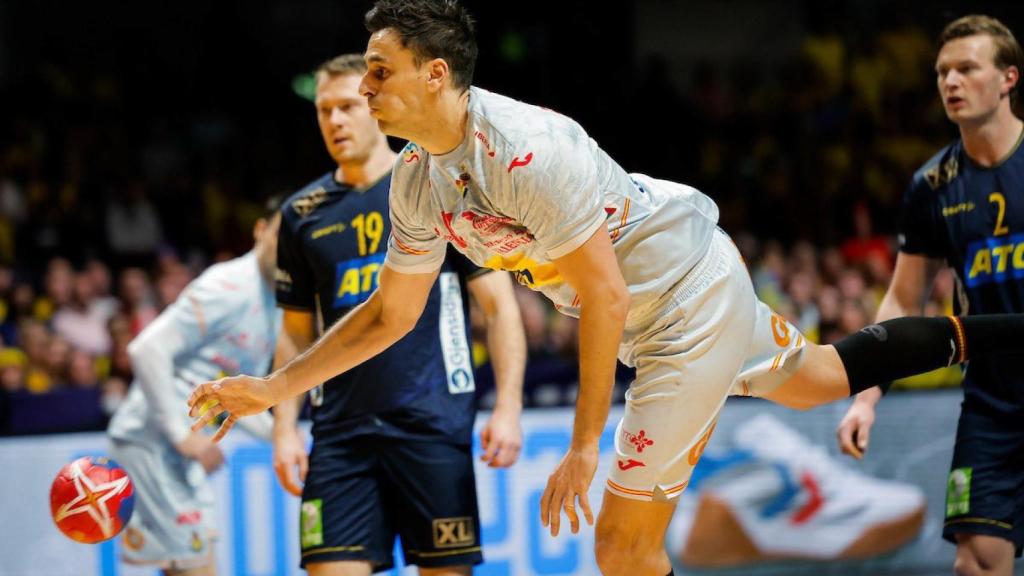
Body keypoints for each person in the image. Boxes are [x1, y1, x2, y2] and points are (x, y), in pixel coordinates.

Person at [189, 3, 1024, 575]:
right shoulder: (417, 180)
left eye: (378, 72)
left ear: (435, 74)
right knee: (819, 380)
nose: (364, 92)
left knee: (622, 548)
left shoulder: (526, 150)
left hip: (682, 310)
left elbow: (609, 297)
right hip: (678, 294)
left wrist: (587, 447)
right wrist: (275, 385)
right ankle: (987, 332)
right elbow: (391, 313)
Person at [270, 53, 526, 575]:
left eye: (346, 106)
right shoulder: (300, 214)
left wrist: (509, 406)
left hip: (431, 424)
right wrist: (283, 428)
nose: (335, 121)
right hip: (340, 435)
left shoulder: (435, 183)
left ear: (373, 107)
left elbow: (499, 308)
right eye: (324, 111)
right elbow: (295, 333)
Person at [837, 15, 1024, 576]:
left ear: (1008, 78)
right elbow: (901, 301)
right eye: (943, 71)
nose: (951, 82)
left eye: (967, 68)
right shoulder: (932, 187)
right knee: (976, 562)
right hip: (992, 405)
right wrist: (865, 398)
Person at [108, 203, 283, 576]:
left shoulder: (276, 304)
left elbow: (234, 398)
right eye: (281, 233)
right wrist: (180, 436)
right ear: (260, 230)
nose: (287, 247)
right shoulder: (228, 285)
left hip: (179, 451)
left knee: (192, 566)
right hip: (151, 441)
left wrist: (285, 438)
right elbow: (146, 349)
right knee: (198, 569)